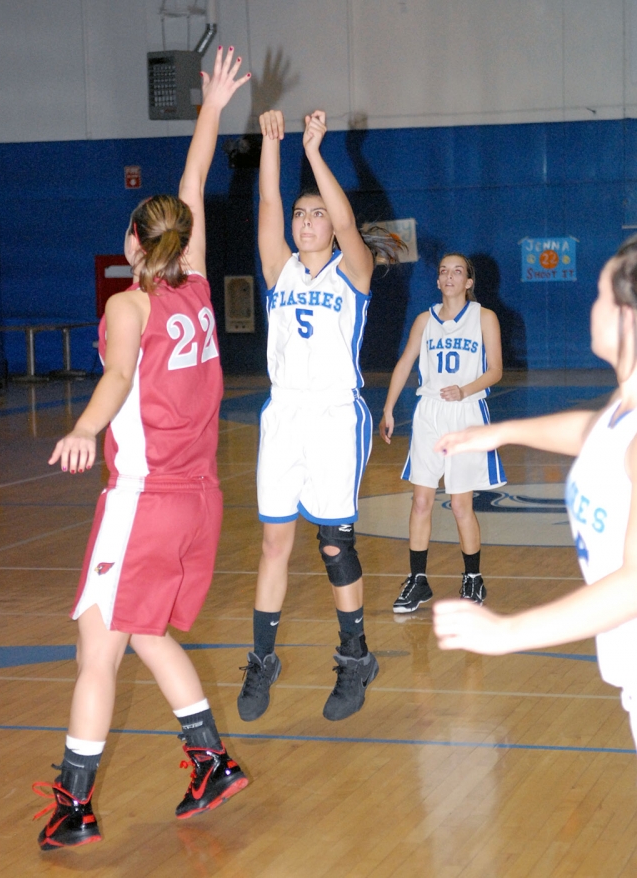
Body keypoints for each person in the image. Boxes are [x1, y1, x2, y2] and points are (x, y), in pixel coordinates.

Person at [33, 47, 251, 851]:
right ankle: (211, 761)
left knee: (99, 645)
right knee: (149, 632)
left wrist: (86, 427)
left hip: (145, 500)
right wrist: (213, 108)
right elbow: (193, 185)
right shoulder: (194, 278)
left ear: (133, 237)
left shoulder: (132, 304)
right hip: (198, 500)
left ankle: (73, 807)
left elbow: (119, 378)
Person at [433, 237, 637, 748]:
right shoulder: (625, 405)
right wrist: (503, 432)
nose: (591, 307)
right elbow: (596, 433)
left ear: (626, 317)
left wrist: (507, 633)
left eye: (598, 296)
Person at [237, 108, 404, 723]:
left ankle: (355, 657)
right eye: (301, 213)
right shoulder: (279, 270)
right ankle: (262, 659)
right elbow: (267, 210)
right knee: (273, 541)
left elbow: (345, 220)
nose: (306, 221)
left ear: (331, 228)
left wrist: (314, 153)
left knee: (334, 544)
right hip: (284, 415)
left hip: (336, 414)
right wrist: (273, 147)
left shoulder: (353, 270)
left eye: (317, 214)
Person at [379, 253, 506, 614]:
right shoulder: (425, 320)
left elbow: (495, 370)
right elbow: (405, 362)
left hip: (465, 413)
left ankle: (472, 578)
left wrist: (466, 389)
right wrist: (388, 408)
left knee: (461, 504)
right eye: (443, 271)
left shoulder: (484, 318)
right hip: (429, 413)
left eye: (458, 271)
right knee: (420, 501)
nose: (449, 276)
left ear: (469, 282)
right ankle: (418, 580)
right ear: (437, 281)